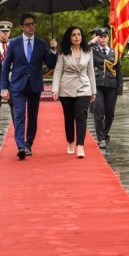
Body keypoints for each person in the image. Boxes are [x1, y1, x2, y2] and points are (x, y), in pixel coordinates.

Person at [1, 13, 57, 160]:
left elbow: (51, 64)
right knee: (19, 115)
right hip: (17, 85)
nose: (31, 26)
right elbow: (6, 66)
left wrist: (53, 50)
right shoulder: (14, 43)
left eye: (33, 24)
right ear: (22, 27)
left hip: (34, 86)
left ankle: (28, 144)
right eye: (28, 24)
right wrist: (4, 88)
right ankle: (20, 146)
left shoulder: (41, 43)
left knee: (32, 117)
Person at [52, 26, 96, 158]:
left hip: (84, 87)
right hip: (66, 88)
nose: (77, 37)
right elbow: (58, 71)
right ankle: (70, 141)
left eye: (79, 34)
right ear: (69, 38)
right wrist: (55, 89)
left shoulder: (88, 51)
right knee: (69, 117)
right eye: (73, 35)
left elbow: (91, 72)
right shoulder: (63, 52)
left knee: (81, 115)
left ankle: (80, 145)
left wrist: (93, 91)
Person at [89, 27, 123, 148]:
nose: (103, 39)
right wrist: (92, 42)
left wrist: (120, 87)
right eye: (100, 37)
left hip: (111, 86)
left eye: (105, 36)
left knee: (110, 113)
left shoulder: (114, 52)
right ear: (97, 38)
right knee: (99, 111)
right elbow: (82, 49)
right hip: (97, 85)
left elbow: (119, 71)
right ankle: (101, 138)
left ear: (108, 37)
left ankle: (105, 132)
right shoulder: (92, 50)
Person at [0, 20, 13, 132]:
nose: (5, 33)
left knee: (13, 102)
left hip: (11, 75)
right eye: (3, 31)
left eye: (7, 31)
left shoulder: (13, 44)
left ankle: (16, 124)